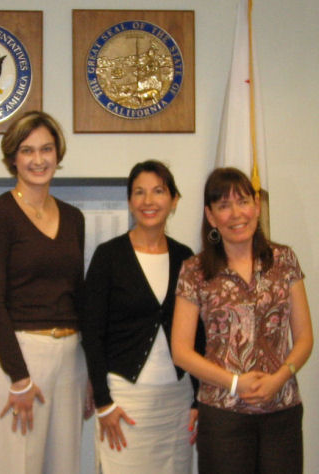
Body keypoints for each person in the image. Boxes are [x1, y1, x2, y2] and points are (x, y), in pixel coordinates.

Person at [172, 167, 313, 473]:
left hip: (282, 411)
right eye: (223, 205)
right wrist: (235, 383)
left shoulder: (284, 260)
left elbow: (304, 338)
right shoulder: (195, 271)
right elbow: (180, 351)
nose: (236, 213)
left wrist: (278, 379)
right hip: (223, 415)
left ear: (257, 206)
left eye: (243, 201)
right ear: (211, 217)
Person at [0, 110, 90, 474]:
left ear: (58, 154)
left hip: (70, 355)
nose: (38, 160)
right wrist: (19, 377)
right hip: (19, 355)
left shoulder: (74, 218)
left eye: (46, 149)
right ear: (13, 158)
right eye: (27, 150)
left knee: (66, 465)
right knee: (16, 466)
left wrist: (90, 370)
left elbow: (78, 296)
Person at [81, 160, 204, 473]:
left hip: (177, 400)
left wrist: (198, 399)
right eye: (139, 192)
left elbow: (198, 335)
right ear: (129, 201)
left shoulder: (185, 257)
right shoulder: (108, 256)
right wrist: (104, 401)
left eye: (158, 191)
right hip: (124, 400)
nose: (149, 201)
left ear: (174, 200)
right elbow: (92, 333)